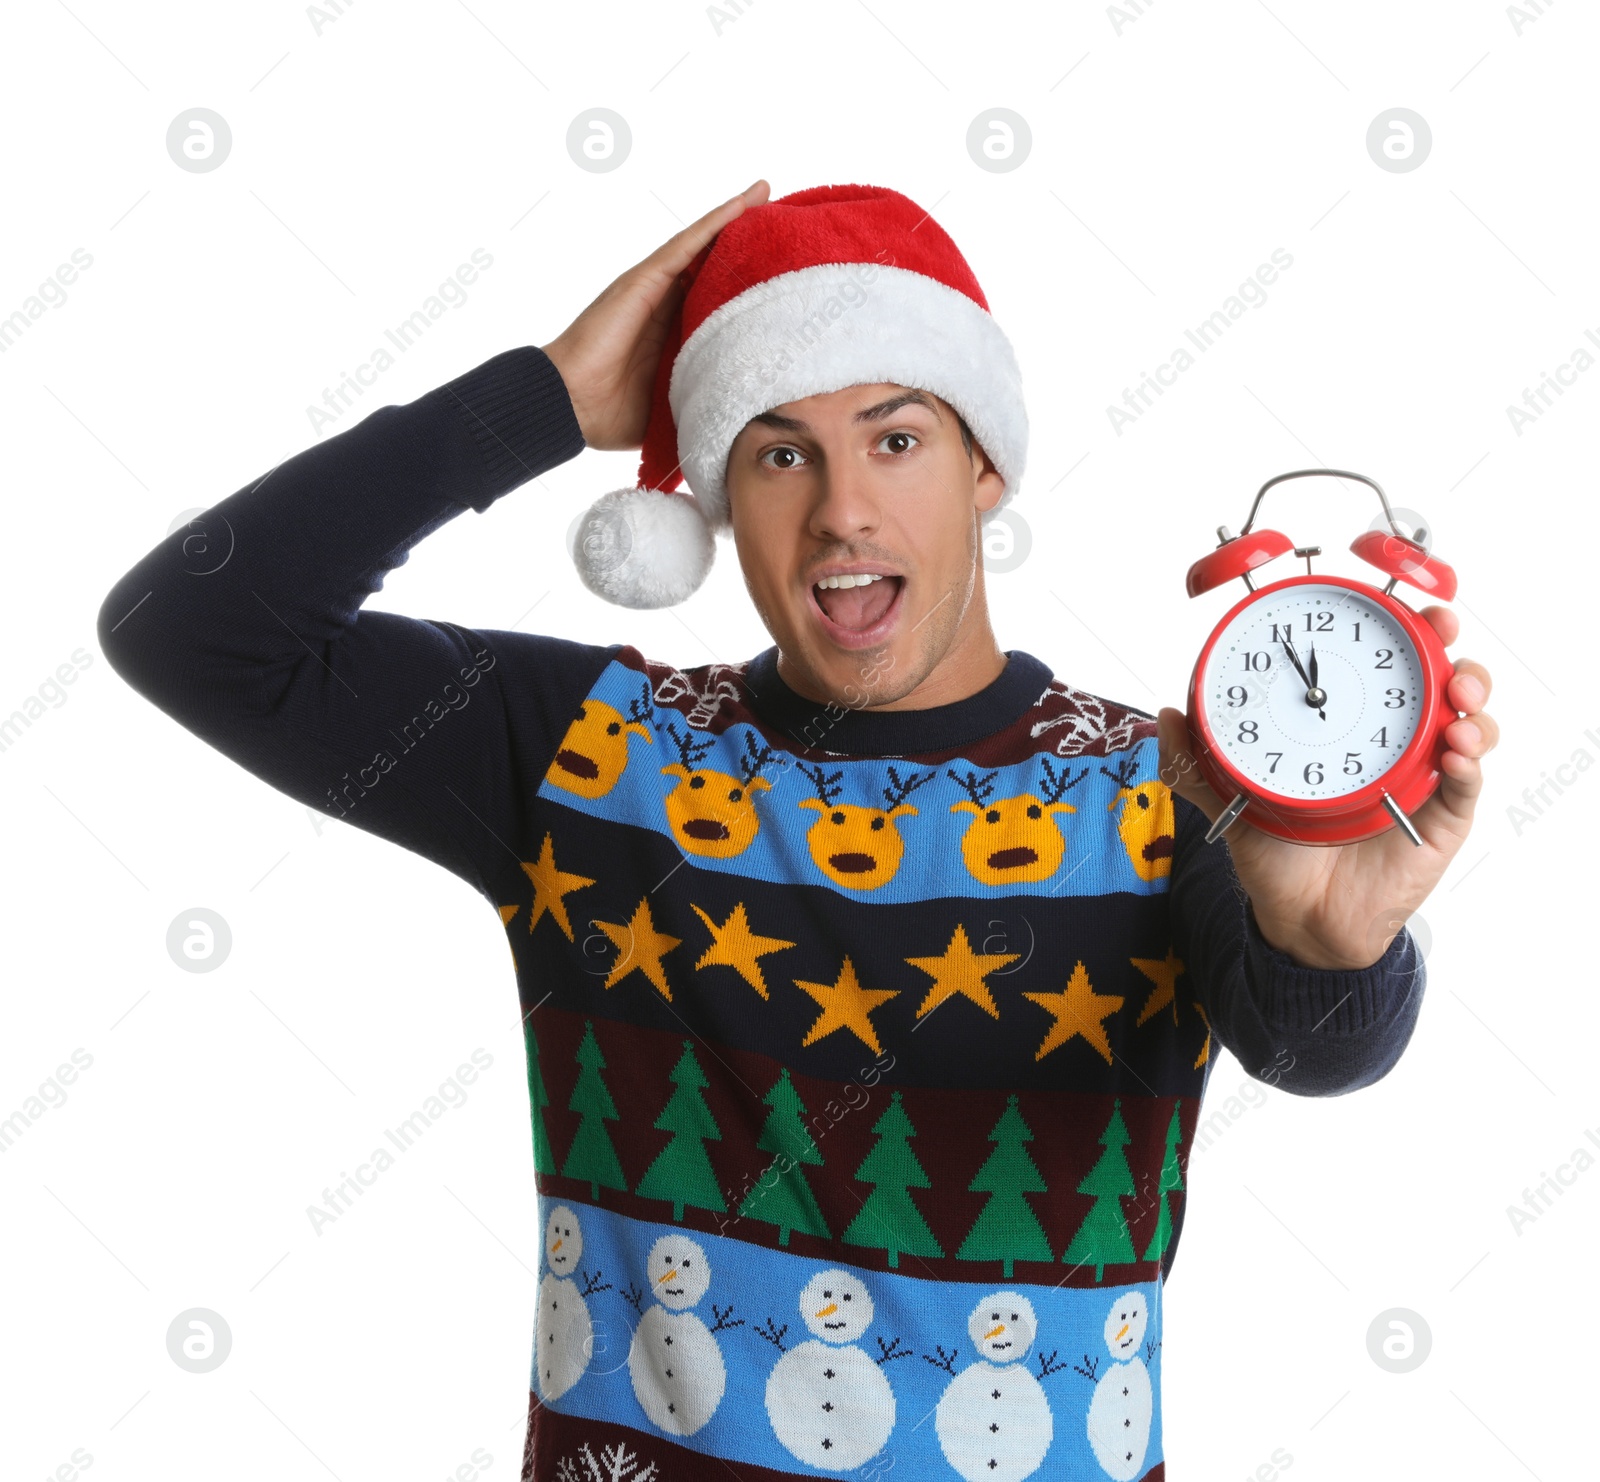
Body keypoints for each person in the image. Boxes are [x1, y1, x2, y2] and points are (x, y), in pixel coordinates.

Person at [98, 180, 1497, 1481]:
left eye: (897, 438)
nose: (843, 510)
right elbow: (195, 627)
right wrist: (534, 402)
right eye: (779, 453)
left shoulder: (1168, 784)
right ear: (711, 499)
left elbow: (1317, 1049)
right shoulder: (590, 753)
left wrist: (1337, 937)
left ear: (983, 470)